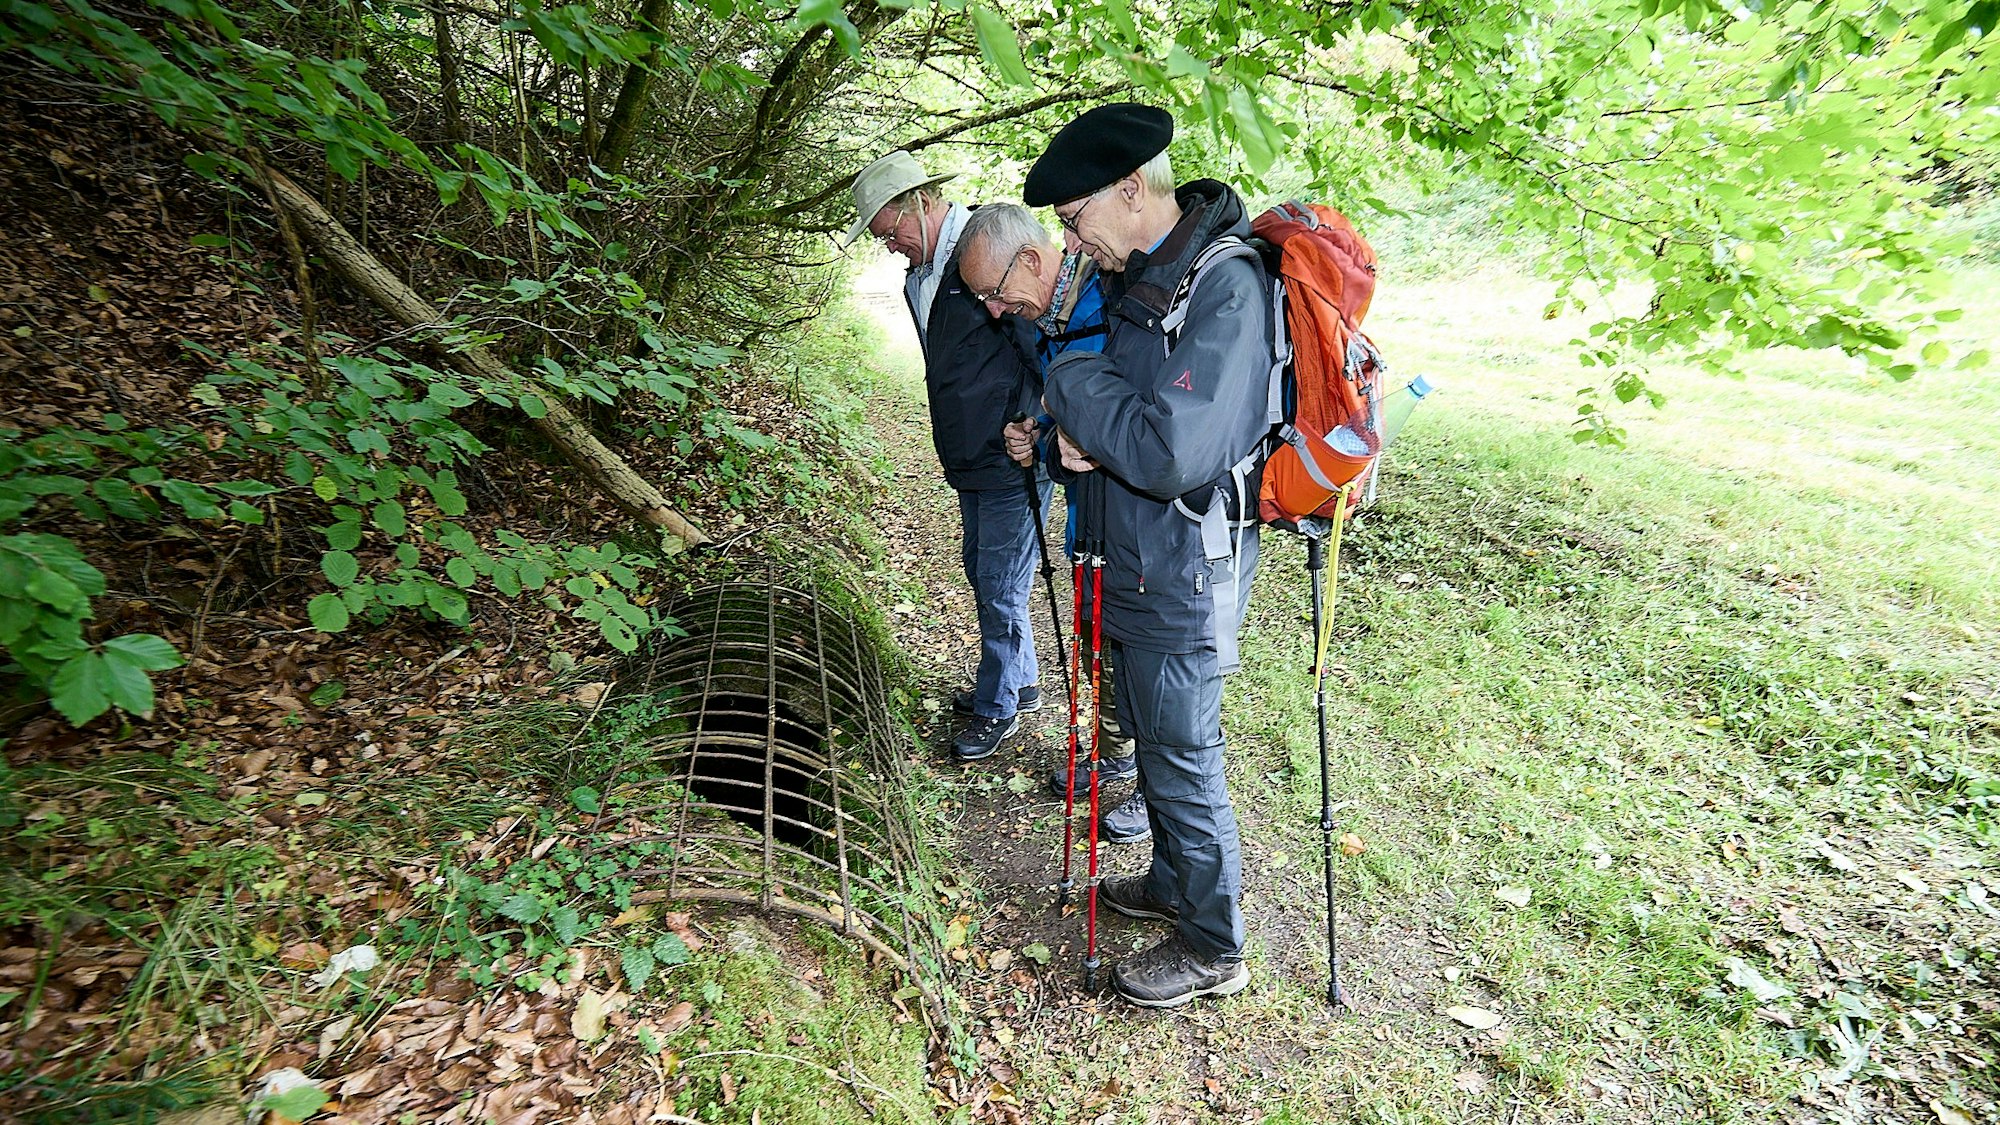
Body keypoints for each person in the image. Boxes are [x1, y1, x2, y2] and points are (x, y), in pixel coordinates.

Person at [1009, 104, 1272, 1007]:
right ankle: (1170, 881)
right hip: (1138, 554)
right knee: (1157, 745)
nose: (1071, 242)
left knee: (1184, 753)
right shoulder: (1144, 278)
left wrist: (1069, 382)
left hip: (1188, 567)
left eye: (1074, 217)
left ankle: (1214, 945)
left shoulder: (1225, 286)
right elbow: (1124, 420)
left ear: (1129, 188)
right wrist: (1073, 440)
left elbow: (1168, 450)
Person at [956, 204, 1155, 849]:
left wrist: (1070, 435)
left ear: (1031, 260)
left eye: (995, 293)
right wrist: (1038, 431)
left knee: (1143, 656)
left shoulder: (1112, 300)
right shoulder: (1050, 317)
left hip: (1145, 527)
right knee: (1100, 639)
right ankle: (1113, 755)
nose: (994, 310)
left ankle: (1151, 788)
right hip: (1089, 520)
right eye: (983, 299)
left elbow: (1142, 421)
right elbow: (1065, 407)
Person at [843, 151, 1047, 762]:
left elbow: (1041, 346)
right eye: (881, 239)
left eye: (890, 231)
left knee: (999, 582)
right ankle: (1021, 681)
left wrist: (1031, 424)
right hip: (966, 455)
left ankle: (997, 706)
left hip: (1011, 458)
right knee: (982, 570)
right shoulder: (919, 276)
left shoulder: (988, 253)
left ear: (920, 203)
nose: (890, 246)